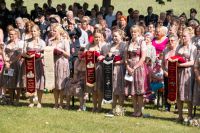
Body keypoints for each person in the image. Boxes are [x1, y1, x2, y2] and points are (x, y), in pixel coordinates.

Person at [175, 27, 197, 122]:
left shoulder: (193, 47)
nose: (183, 38)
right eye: (181, 36)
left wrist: (181, 64)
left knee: (188, 95)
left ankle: (189, 115)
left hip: (188, 73)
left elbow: (192, 62)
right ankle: (180, 116)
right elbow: (175, 57)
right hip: (178, 72)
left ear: (190, 36)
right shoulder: (179, 47)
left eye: (185, 36)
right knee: (179, 94)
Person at [47, 24, 70, 109]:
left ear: (59, 32)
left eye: (54, 31)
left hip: (62, 63)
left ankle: (61, 103)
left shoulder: (65, 41)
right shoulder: (50, 41)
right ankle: (56, 103)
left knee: (61, 84)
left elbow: (68, 55)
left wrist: (60, 50)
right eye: (51, 31)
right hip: (52, 63)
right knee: (54, 84)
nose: (52, 32)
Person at [125, 25, 146, 117]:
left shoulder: (142, 42)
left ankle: (140, 111)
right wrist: (128, 67)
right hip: (129, 67)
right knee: (132, 92)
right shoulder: (128, 42)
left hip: (138, 68)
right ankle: (135, 110)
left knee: (139, 91)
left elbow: (143, 57)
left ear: (139, 33)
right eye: (132, 32)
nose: (133, 33)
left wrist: (134, 67)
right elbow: (125, 57)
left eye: (135, 32)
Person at [22, 25, 46, 108]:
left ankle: (39, 102)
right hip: (29, 64)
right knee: (30, 81)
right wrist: (27, 55)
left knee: (39, 83)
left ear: (38, 32)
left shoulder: (42, 42)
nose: (33, 33)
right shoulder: (27, 41)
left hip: (38, 63)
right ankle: (31, 101)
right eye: (32, 31)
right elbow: (23, 52)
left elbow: (44, 53)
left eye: (34, 31)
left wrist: (37, 55)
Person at [85, 30, 107, 112]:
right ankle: (94, 106)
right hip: (90, 67)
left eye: (99, 37)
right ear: (93, 37)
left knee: (99, 88)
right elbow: (84, 54)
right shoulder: (89, 45)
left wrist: (101, 56)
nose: (97, 39)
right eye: (95, 37)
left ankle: (99, 106)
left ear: (101, 37)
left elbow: (106, 56)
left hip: (100, 67)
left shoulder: (104, 46)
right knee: (93, 88)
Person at [2, 28, 24, 105]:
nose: (10, 35)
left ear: (16, 35)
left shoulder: (20, 43)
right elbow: (3, 52)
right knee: (9, 81)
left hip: (17, 64)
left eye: (12, 34)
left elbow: (19, 54)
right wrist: (6, 61)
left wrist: (11, 62)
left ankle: (17, 100)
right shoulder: (6, 42)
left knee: (17, 82)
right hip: (8, 65)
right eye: (9, 34)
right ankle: (11, 99)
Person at [162, 34, 178, 111]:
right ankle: (167, 106)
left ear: (176, 41)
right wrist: (164, 71)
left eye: (172, 40)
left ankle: (177, 106)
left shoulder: (178, 50)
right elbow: (162, 63)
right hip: (167, 72)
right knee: (167, 89)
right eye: (169, 40)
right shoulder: (165, 50)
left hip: (176, 73)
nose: (170, 42)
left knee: (176, 89)